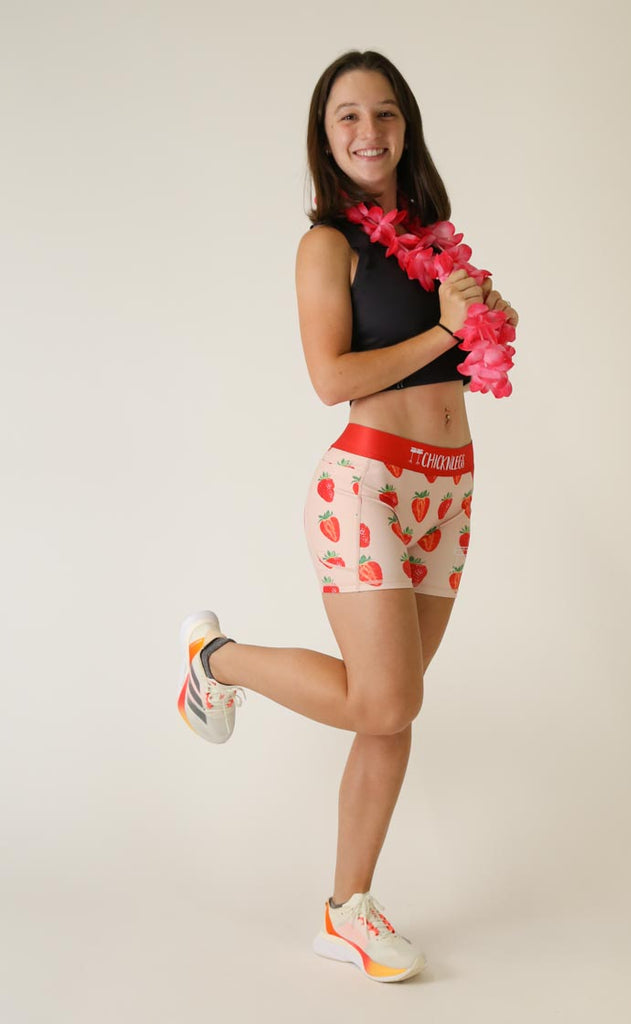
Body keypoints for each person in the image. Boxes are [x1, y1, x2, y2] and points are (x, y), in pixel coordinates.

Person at [177, 49, 518, 983]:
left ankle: (346, 910)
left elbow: (456, 362)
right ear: (325, 140)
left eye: (385, 115)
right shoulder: (326, 245)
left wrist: (485, 320)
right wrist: (446, 331)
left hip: (448, 487)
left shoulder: (436, 239)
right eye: (347, 118)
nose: (368, 132)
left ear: (406, 127)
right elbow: (331, 378)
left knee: (386, 716)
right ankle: (215, 661)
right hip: (366, 483)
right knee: (389, 697)